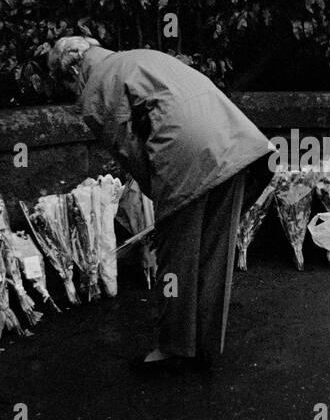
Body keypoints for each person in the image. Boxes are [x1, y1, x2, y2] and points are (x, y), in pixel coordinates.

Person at [49, 36, 273, 370]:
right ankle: (205, 347)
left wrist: (163, 203)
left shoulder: (95, 83)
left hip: (187, 155)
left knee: (177, 255)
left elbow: (129, 150)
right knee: (214, 251)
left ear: (72, 73)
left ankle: (175, 348)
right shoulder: (139, 57)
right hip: (235, 144)